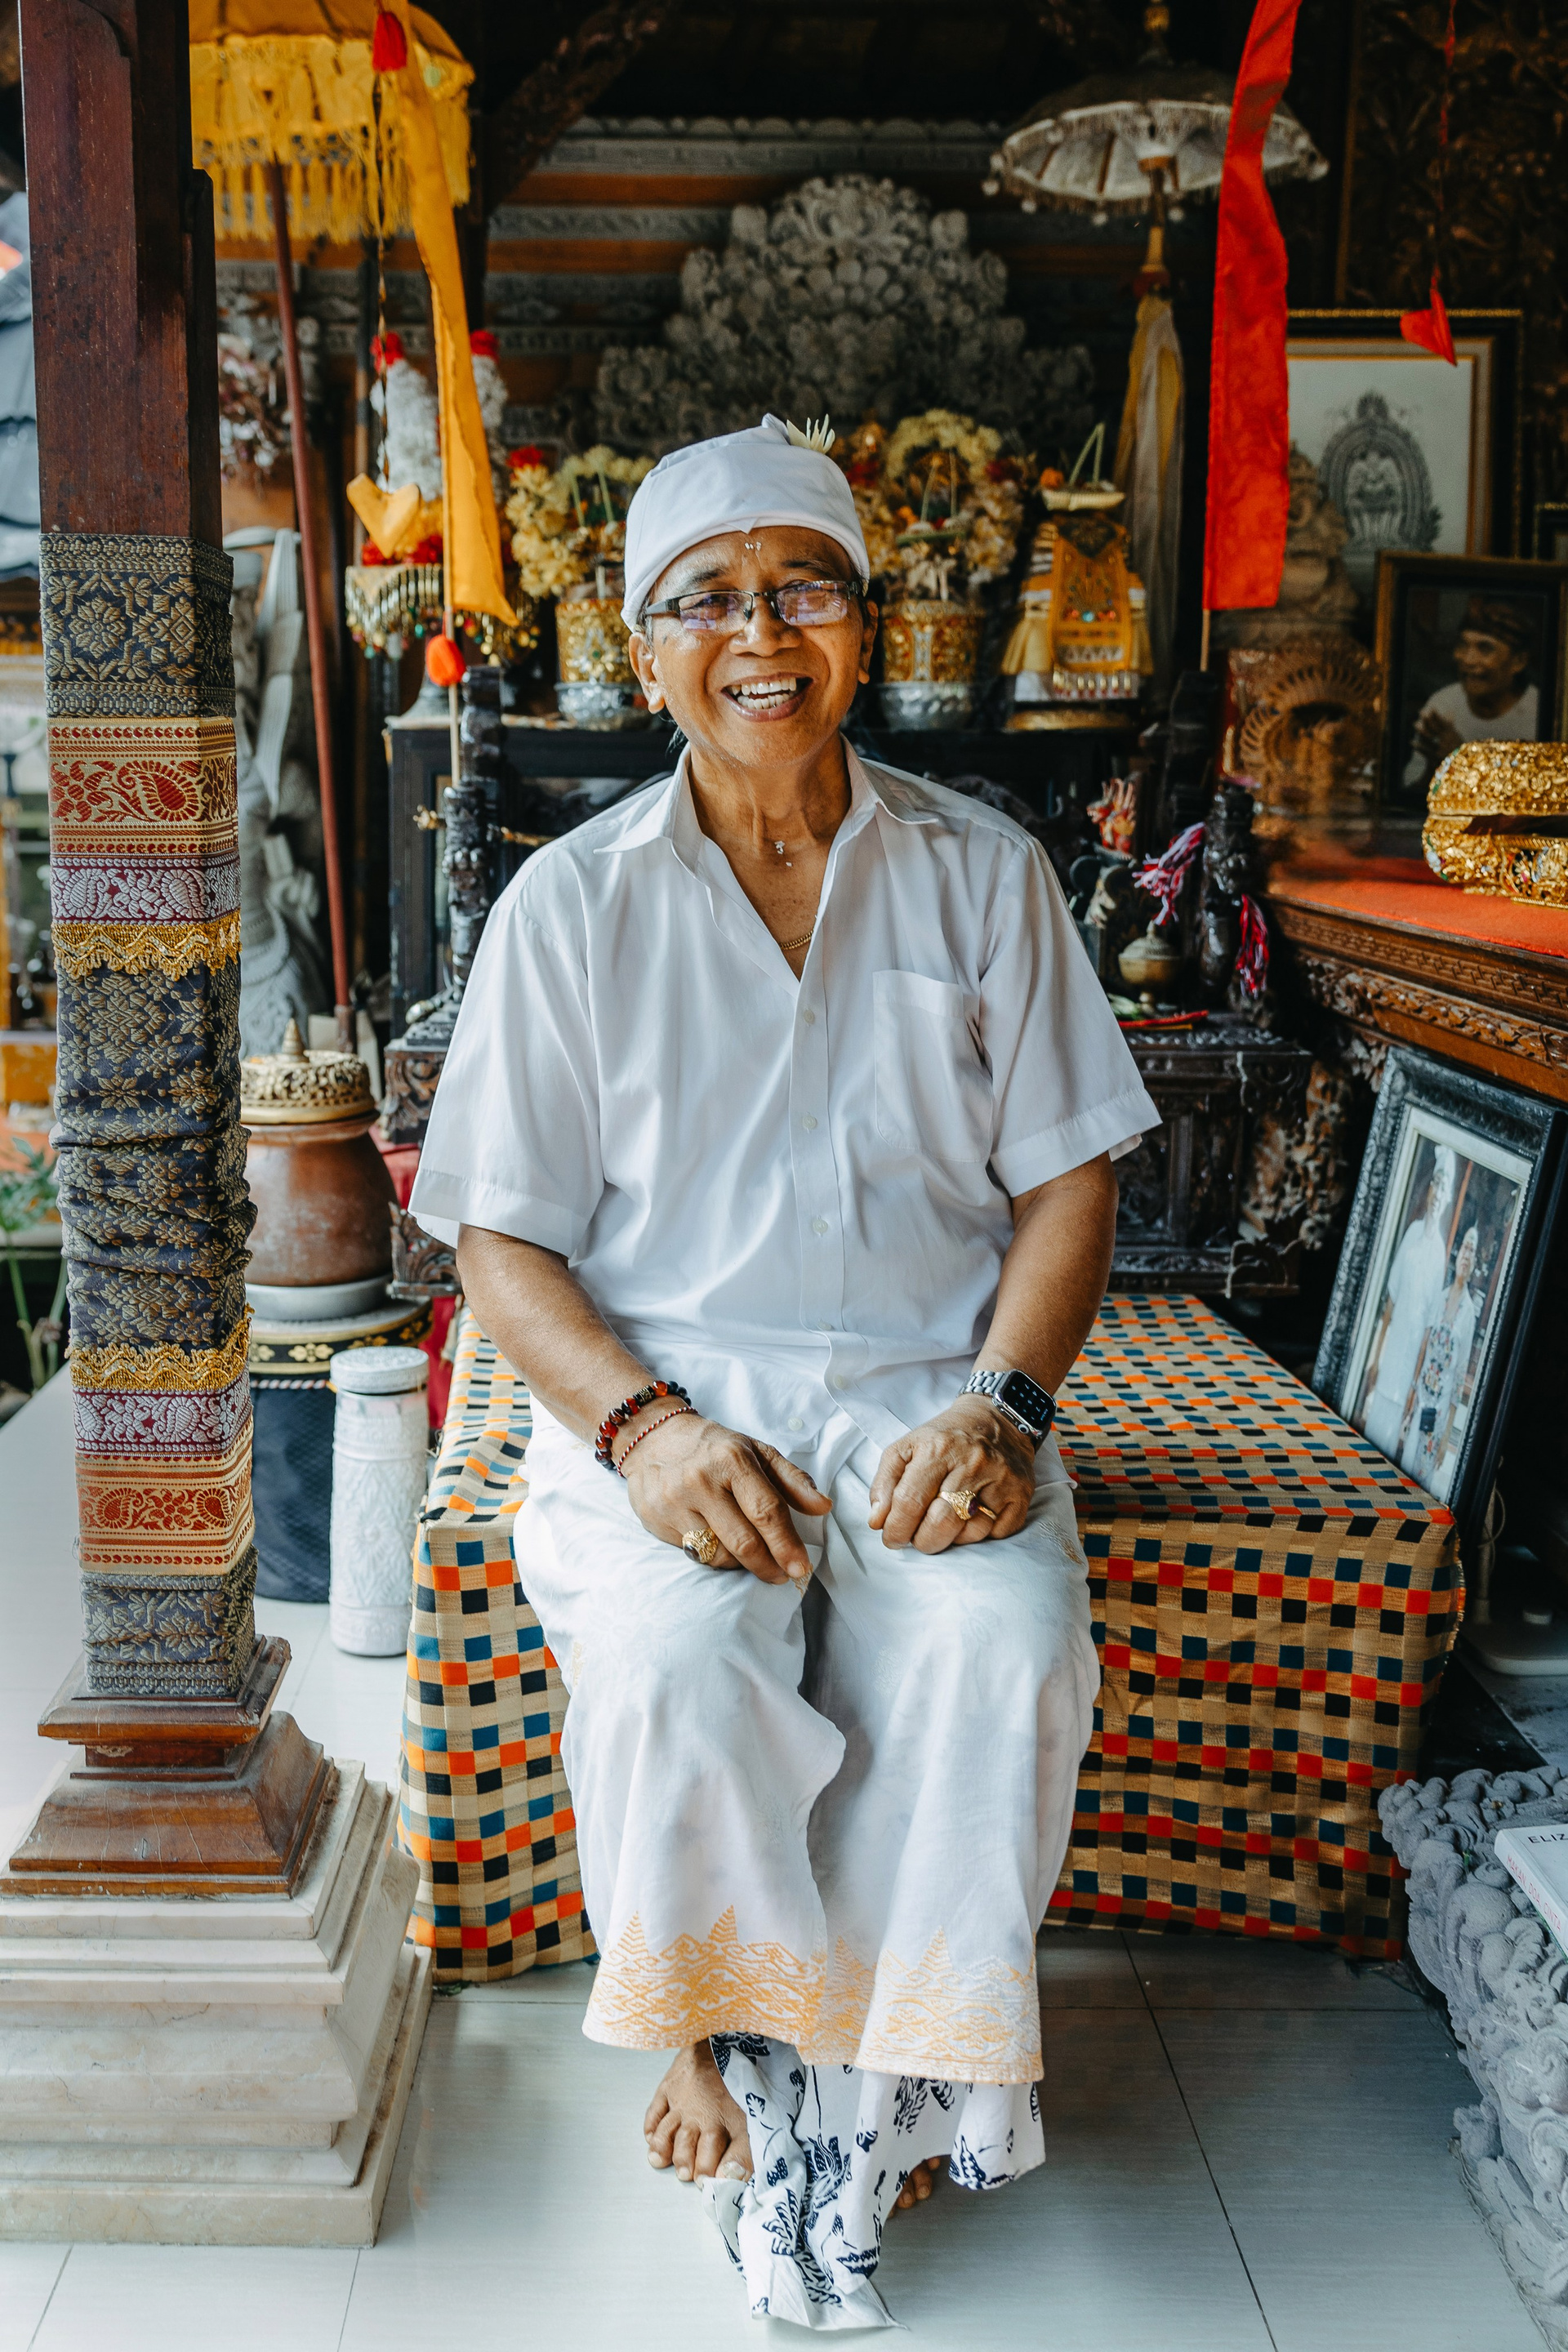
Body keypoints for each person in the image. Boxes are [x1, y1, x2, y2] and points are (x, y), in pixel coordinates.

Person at [409, 414, 1160, 2329]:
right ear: (643, 648)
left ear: (865, 624)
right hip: (664, 1398)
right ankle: (727, 2048)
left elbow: (1070, 1184)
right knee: (680, 1660)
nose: (760, 633)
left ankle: (874, 2087)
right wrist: (642, 1433)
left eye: (802, 588)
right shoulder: (573, 904)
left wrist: (1005, 1407)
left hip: (929, 1387)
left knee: (998, 1644)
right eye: (708, 601)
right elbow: (500, 1241)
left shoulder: (981, 873)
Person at [1356, 1146, 1455, 1462]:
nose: (1438, 1194)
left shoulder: (1439, 1255)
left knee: (1387, 1450)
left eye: (1445, 1188)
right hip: (1389, 1358)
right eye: (1436, 1184)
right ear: (1429, 1191)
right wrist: (1375, 1360)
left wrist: (1415, 1388)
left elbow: (1428, 1330)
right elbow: (1391, 1303)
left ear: (1448, 1199)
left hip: (1407, 1373)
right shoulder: (1412, 1233)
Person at [1403, 596, 1540, 791]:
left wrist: (1465, 760)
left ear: (1518, 662)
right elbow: (1412, 792)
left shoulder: (1540, 715)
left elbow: (1536, 796)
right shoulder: (1443, 703)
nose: (1467, 659)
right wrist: (1434, 768)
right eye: (1462, 645)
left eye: (1485, 649)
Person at [1400, 1223, 1479, 1500]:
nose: (1467, 1255)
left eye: (1473, 1250)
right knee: (1403, 1465)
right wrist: (1411, 1400)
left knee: (1422, 1478)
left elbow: (1460, 1375)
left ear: (1474, 1263)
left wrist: (1447, 1435)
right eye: (1465, 1247)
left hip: (1440, 1410)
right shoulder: (1441, 1297)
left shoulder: (1469, 1314)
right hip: (1421, 1399)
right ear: (1458, 1254)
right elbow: (1423, 1348)